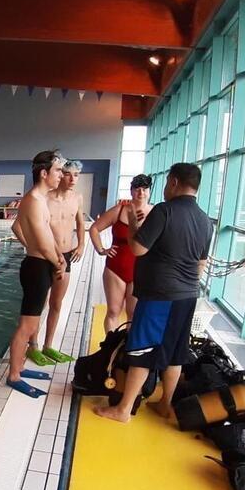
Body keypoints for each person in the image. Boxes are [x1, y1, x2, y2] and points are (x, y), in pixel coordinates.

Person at [94, 163, 214, 423]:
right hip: (187, 296)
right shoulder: (205, 220)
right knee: (175, 351)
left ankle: (123, 410)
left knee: (141, 349)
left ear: (172, 182)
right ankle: (165, 404)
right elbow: (200, 266)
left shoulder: (164, 211)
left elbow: (137, 249)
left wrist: (135, 225)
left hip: (159, 295)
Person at [6, 150, 67, 398]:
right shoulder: (33, 199)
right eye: (58, 171)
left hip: (40, 265)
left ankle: (19, 367)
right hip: (36, 267)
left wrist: (57, 256)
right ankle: (13, 375)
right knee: (26, 325)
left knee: (33, 321)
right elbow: (41, 243)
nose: (61, 176)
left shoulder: (40, 199)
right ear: (44, 173)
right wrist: (58, 263)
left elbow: (46, 238)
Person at [29, 159, 87, 366]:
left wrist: (81, 245)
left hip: (67, 255)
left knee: (56, 303)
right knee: (40, 303)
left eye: (77, 175)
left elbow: (81, 224)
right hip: (47, 257)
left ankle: (48, 345)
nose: (73, 179)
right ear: (61, 175)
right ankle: (33, 345)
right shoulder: (45, 198)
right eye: (69, 174)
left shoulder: (77, 198)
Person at [89, 174, 155, 333]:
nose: (141, 193)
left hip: (140, 269)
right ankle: (110, 349)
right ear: (131, 191)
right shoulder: (119, 210)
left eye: (145, 189)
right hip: (115, 268)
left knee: (133, 313)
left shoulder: (155, 213)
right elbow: (94, 229)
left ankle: (125, 351)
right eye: (137, 189)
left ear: (149, 191)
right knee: (113, 311)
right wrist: (101, 249)